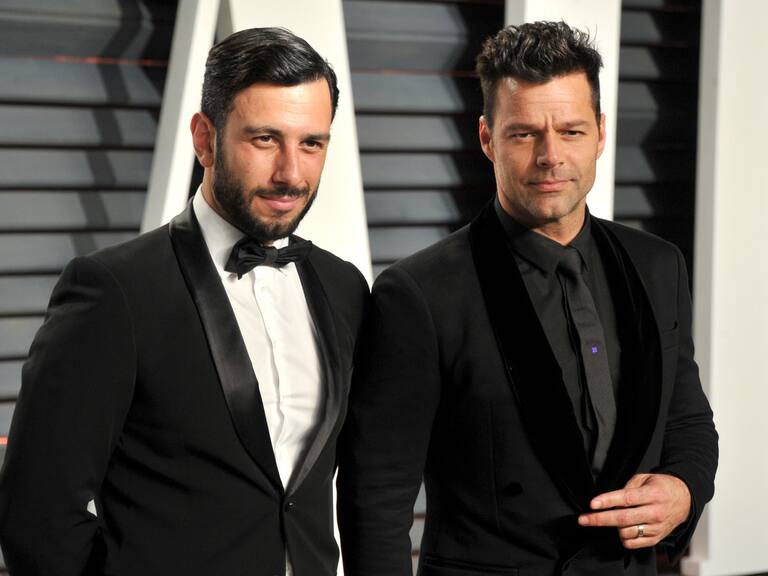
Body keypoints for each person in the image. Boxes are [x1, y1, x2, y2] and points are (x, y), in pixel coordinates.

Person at [337, 21, 717, 576]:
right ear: (487, 138)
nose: (549, 155)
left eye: (571, 131)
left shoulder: (658, 265)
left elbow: (687, 420)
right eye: (523, 134)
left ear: (601, 134)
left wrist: (683, 489)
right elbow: (376, 494)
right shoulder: (419, 293)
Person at [0, 27, 368, 576]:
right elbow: (36, 517)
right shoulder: (114, 291)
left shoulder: (345, 289)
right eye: (265, 139)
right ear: (205, 139)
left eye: (311, 143)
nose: (291, 173)